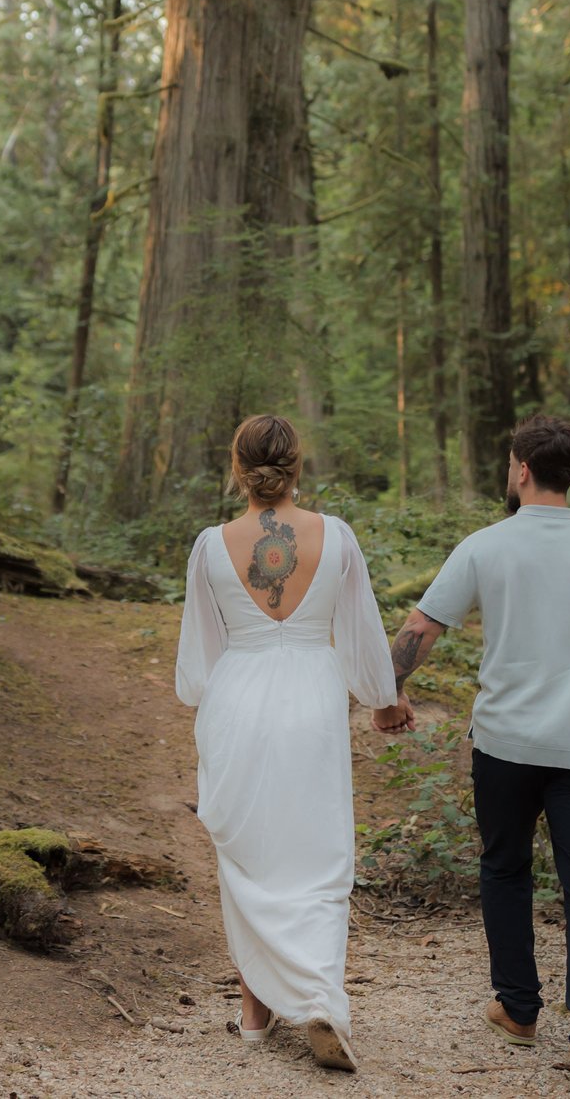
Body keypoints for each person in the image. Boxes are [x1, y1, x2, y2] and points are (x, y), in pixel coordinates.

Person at [385, 415, 570, 1095]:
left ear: (521, 470)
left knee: (505, 868)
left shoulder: (486, 547)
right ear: (569, 473)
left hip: (506, 744)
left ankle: (518, 1009)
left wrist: (390, 691)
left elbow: (421, 628)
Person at [175, 414, 407, 1074]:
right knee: (315, 852)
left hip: (238, 698)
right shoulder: (335, 537)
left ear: (236, 467)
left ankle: (255, 1015)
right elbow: (361, 636)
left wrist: (218, 689)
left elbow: (198, 665)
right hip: (312, 696)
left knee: (250, 858)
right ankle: (319, 999)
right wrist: (385, 698)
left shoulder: (210, 544)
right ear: (298, 468)